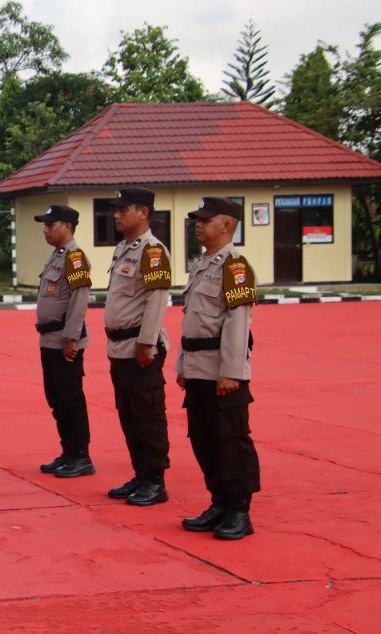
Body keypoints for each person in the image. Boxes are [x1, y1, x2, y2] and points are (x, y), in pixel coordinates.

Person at [176, 197, 260, 540]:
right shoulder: (202, 265)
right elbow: (190, 321)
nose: (198, 224)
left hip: (221, 371)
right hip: (197, 368)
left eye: (205, 219)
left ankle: (239, 510)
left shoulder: (235, 267)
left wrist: (231, 371)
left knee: (230, 440)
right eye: (197, 219)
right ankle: (219, 502)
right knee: (203, 437)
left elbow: (238, 323)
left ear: (226, 225)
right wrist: (183, 364)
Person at [104, 187, 172, 506]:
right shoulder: (123, 249)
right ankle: (141, 473)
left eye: (123, 209)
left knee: (148, 415)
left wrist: (147, 342)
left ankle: (155, 480)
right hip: (119, 348)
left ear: (143, 212)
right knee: (129, 415)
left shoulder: (153, 251)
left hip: (139, 348)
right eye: (116, 210)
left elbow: (156, 298)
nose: (116, 215)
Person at [34, 205, 95, 478]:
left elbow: (79, 300)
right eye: (45, 225)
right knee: (56, 397)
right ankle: (68, 451)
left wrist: (71, 337)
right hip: (49, 339)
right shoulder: (57, 256)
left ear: (67, 226)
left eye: (51, 224)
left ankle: (81, 455)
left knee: (70, 398)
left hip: (64, 341)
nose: (46, 230)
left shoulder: (75, 258)